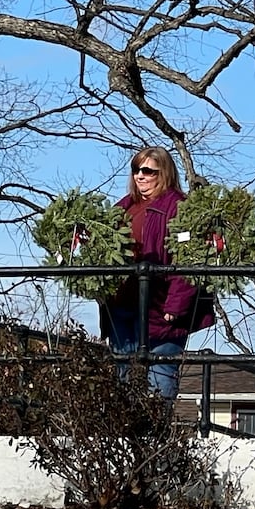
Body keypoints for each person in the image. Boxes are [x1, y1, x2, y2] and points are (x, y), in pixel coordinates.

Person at [98, 147, 213, 399]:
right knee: (122, 377)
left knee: (160, 377)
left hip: (161, 309)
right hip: (122, 306)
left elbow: (190, 258)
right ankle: (124, 433)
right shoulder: (123, 207)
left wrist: (176, 305)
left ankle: (158, 434)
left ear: (164, 173)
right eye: (136, 170)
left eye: (147, 170)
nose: (139, 176)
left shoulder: (179, 207)